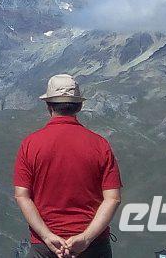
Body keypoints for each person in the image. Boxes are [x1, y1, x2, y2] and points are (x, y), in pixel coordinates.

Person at [12, 74, 122, 258]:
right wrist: (86, 238)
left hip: (45, 247)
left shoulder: (30, 144)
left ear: (48, 105)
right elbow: (113, 198)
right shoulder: (100, 144)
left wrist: (47, 236)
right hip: (94, 247)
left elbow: (22, 196)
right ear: (79, 106)